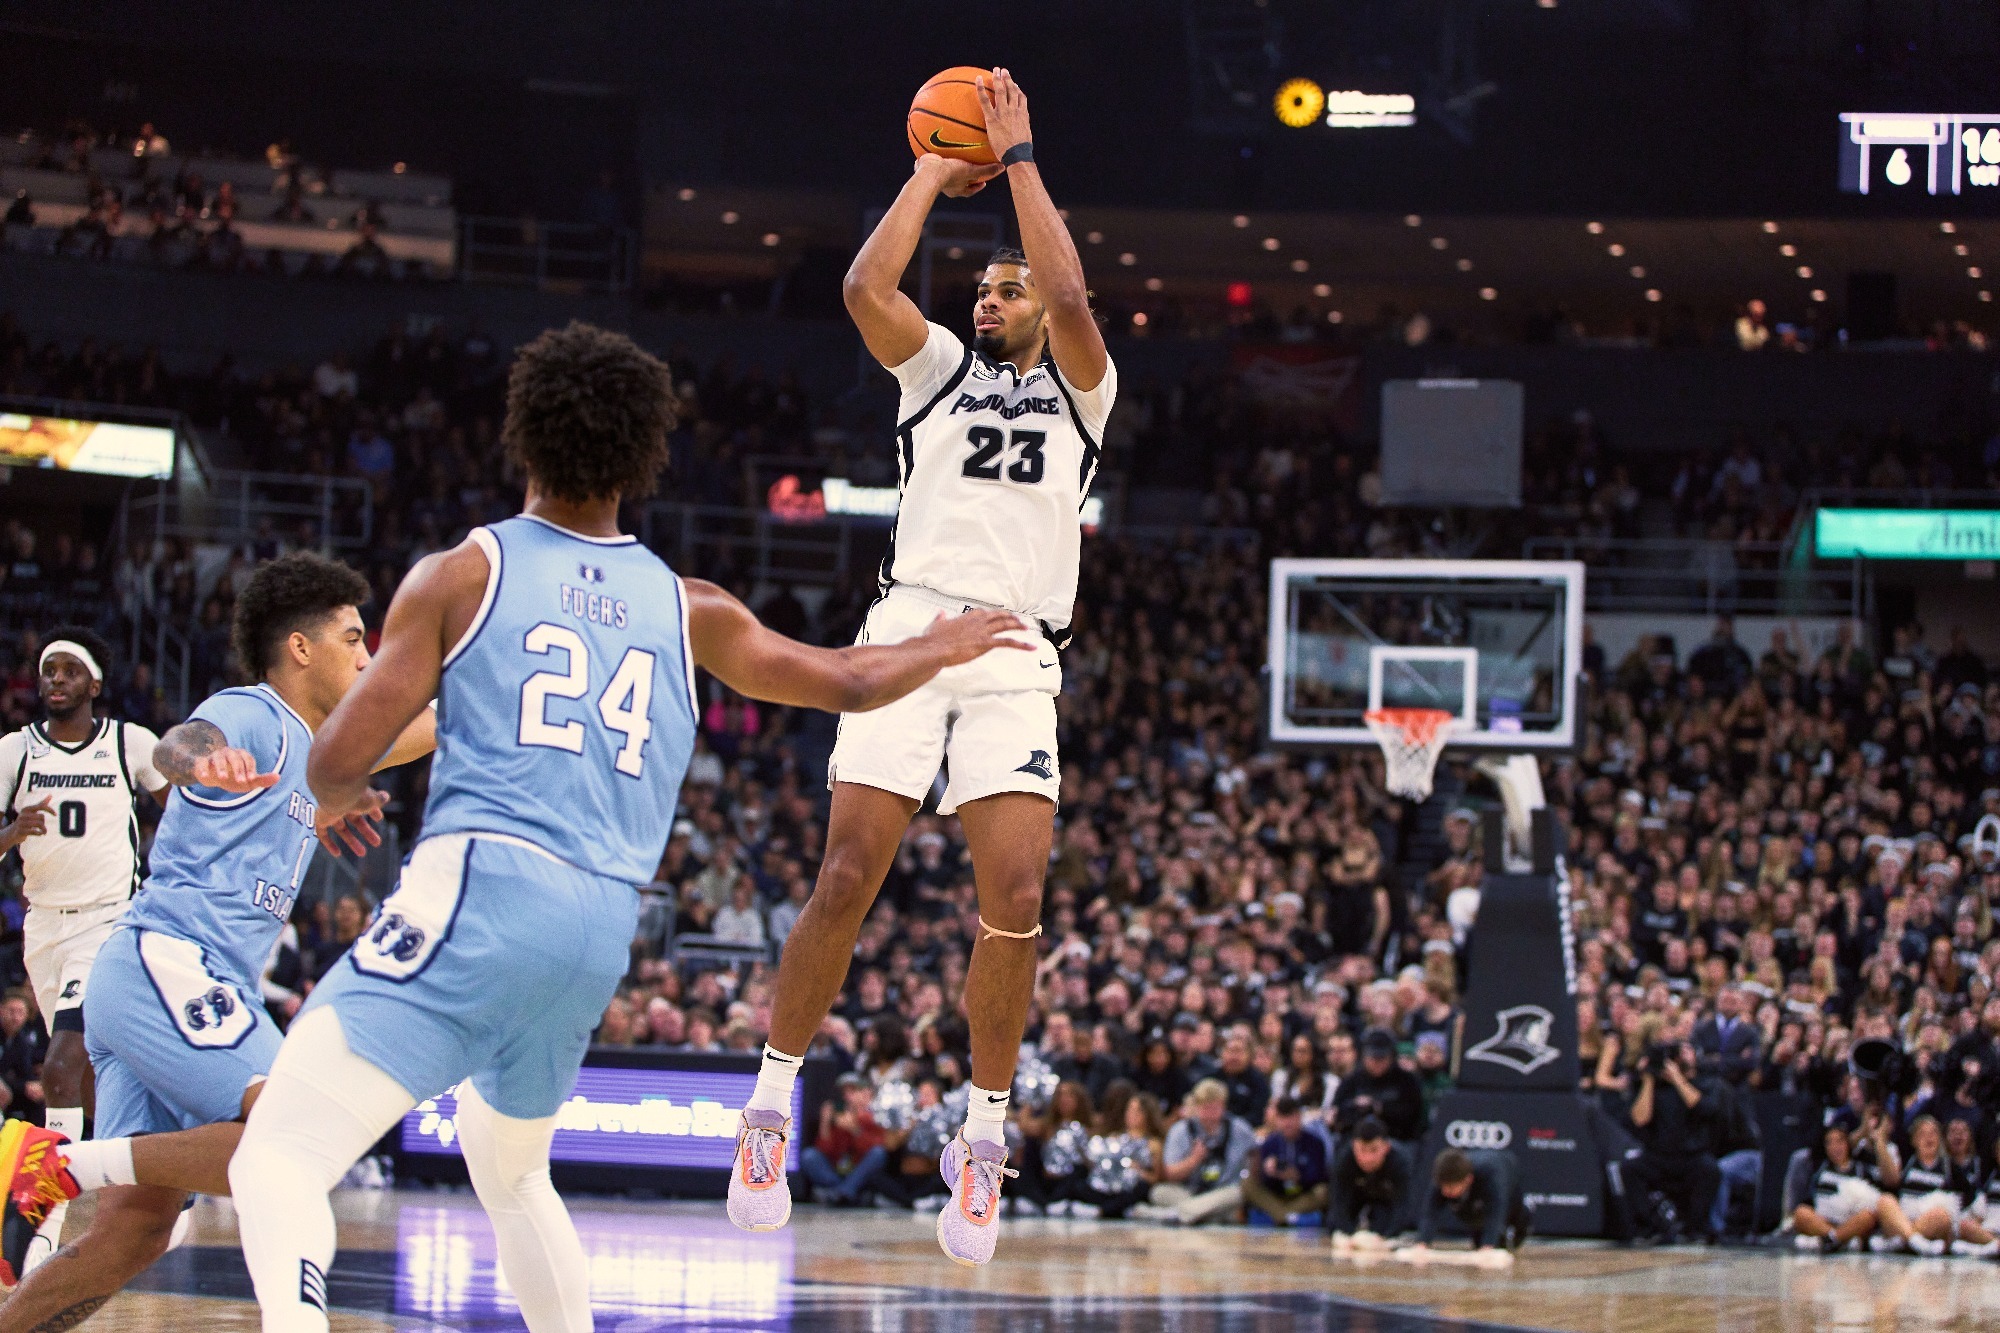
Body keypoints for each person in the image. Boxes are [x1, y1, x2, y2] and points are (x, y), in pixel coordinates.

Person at [216, 322, 1025, 1333]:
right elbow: (851, 681)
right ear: (643, 456)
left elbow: (334, 762)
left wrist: (342, 796)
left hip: (482, 891)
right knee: (511, 1172)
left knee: (278, 1155)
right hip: (597, 933)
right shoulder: (689, 606)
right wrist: (942, 643)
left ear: (523, 434)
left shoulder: (462, 573)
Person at [731, 67, 1116, 1270]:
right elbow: (864, 287)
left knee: (1017, 895)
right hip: (908, 626)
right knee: (846, 871)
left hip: (1014, 646)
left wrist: (1021, 160)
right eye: (982, 286)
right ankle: (768, 1105)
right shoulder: (936, 369)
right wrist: (928, 172)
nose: (991, 298)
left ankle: (983, 1134)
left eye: (1008, 287)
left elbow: (1068, 287)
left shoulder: (1087, 391)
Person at [0, 554, 434, 1324]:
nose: (367, 658)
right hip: (169, 963)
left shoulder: (321, 748)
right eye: (352, 639)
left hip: (157, 983)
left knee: (132, 1234)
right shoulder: (254, 713)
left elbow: (425, 723)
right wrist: (206, 760)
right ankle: (56, 1163)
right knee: (295, 1133)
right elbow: (178, 745)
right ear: (300, 647)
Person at [0, 627, 169, 1272]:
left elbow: (188, 810)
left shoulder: (130, 744)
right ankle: (159, 1174)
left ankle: (41, 1227)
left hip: (109, 921)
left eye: (70, 670)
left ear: (95, 682)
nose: (56, 680)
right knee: (89, 1081)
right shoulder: (16, 753)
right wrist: (12, 832)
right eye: (49, 670)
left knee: (61, 1066)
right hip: (44, 927)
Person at [1623, 1039, 1722, 1243]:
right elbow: (1640, 1119)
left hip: (1691, 1156)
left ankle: (1695, 1230)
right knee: (1630, 1169)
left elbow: (1703, 1108)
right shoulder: (1652, 1087)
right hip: (1658, 1156)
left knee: (1711, 1170)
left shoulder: (1705, 1082)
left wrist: (1677, 1079)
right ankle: (1649, 1228)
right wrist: (1649, 1079)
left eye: (1686, 1051)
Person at [1154, 1078, 1256, 1226]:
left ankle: (1176, 1214)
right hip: (1190, 1191)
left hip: (1223, 1193)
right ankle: (1203, 1215)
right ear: (1196, 1107)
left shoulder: (1240, 1129)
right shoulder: (1180, 1131)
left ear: (1224, 1106)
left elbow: (1255, 1159)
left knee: (1239, 1193)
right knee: (1159, 1192)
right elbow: (1169, 1174)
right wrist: (1193, 1160)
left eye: (1215, 1108)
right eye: (1206, 1108)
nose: (1210, 1114)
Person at [1411, 1148, 1531, 1264]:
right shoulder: (1443, 1177)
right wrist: (1422, 1244)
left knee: (1508, 1222)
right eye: (1443, 1187)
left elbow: (1495, 1212)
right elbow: (1430, 1213)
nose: (1445, 1192)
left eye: (1451, 1188)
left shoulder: (1492, 1177)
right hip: (1475, 1192)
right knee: (1478, 1240)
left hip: (1508, 1176)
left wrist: (1488, 1247)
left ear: (1468, 1180)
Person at [1791, 1122, 1888, 1254]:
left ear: (1847, 1143)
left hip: (1850, 1221)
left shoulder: (1860, 1169)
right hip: (1823, 1220)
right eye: (1829, 1143)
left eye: (1839, 1141)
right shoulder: (1820, 1167)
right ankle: (1839, 1239)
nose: (1835, 1147)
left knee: (1868, 1217)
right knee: (1801, 1213)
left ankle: (1827, 1240)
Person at [801, 1074, 890, 1206]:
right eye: (845, 1093)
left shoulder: (874, 1116)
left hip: (859, 1171)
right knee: (809, 1156)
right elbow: (825, 1150)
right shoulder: (837, 1115)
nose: (848, 1097)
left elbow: (876, 1149)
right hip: (836, 1171)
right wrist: (825, 1123)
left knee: (879, 1153)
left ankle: (841, 1192)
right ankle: (844, 1192)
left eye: (852, 1092)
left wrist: (855, 1130)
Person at [1241, 1095, 1328, 1226]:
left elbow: (1320, 1176)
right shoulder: (1269, 1143)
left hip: (1302, 1196)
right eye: (1282, 1118)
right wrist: (1269, 1172)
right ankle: (1287, 1217)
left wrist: (1297, 1176)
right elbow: (1262, 1180)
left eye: (1291, 1117)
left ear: (1299, 1117)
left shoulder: (1314, 1142)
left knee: (1323, 1191)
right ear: (1276, 1119)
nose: (1287, 1123)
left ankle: (1282, 1217)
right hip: (1276, 1196)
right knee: (1247, 1183)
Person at [1327, 1117, 1414, 1246]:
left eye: (1373, 1150)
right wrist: (1349, 1235)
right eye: (1362, 1150)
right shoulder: (1344, 1159)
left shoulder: (1400, 1161)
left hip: (1385, 1200)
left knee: (1382, 1224)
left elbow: (1403, 1204)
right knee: (1333, 1223)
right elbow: (1338, 1201)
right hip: (1355, 1196)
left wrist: (1387, 1237)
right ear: (1353, 1146)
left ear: (1386, 1147)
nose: (1368, 1158)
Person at [1332, 1028, 1427, 1145]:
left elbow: (1414, 1116)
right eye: (1373, 1058)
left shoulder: (1407, 1081)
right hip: (1356, 1140)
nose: (1377, 1063)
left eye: (1382, 1058)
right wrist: (1355, 1105)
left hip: (1397, 1139)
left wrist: (1380, 1108)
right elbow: (1336, 1112)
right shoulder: (1352, 1080)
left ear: (1391, 1057)